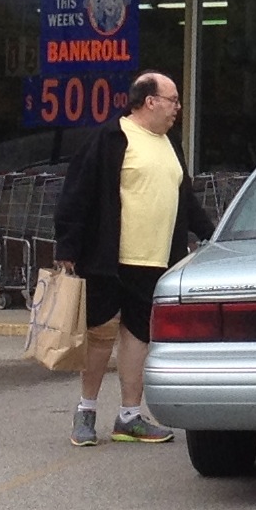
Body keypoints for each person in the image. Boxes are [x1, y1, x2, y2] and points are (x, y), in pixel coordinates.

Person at [52, 72, 211, 447]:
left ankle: (129, 416)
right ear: (149, 101)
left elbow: (185, 199)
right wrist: (67, 249)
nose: (177, 108)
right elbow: (77, 194)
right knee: (100, 336)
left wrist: (212, 233)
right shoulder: (110, 138)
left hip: (156, 261)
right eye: (172, 100)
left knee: (139, 337)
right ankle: (86, 411)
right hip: (108, 260)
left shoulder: (171, 143)